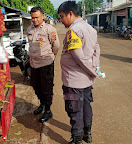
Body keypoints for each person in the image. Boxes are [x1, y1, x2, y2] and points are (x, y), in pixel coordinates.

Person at [58, 1, 100, 144]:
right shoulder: (91, 29)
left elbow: (78, 56)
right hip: (86, 80)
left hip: (74, 79)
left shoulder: (73, 31)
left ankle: (77, 140)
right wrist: (95, 68)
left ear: (70, 13)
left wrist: (92, 71)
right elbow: (96, 50)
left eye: (62, 16)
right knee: (86, 107)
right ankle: (87, 134)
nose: (61, 20)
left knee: (75, 110)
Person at [27, 6, 60, 123]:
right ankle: (42, 103)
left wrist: (51, 57)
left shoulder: (49, 29)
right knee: (35, 85)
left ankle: (48, 110)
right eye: (32, 18)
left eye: (37, 17)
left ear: (43, 16)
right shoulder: (29, 29)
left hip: (46, 64)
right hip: (34, 64)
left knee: (47, 88)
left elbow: (56, 46)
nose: (34, 20)